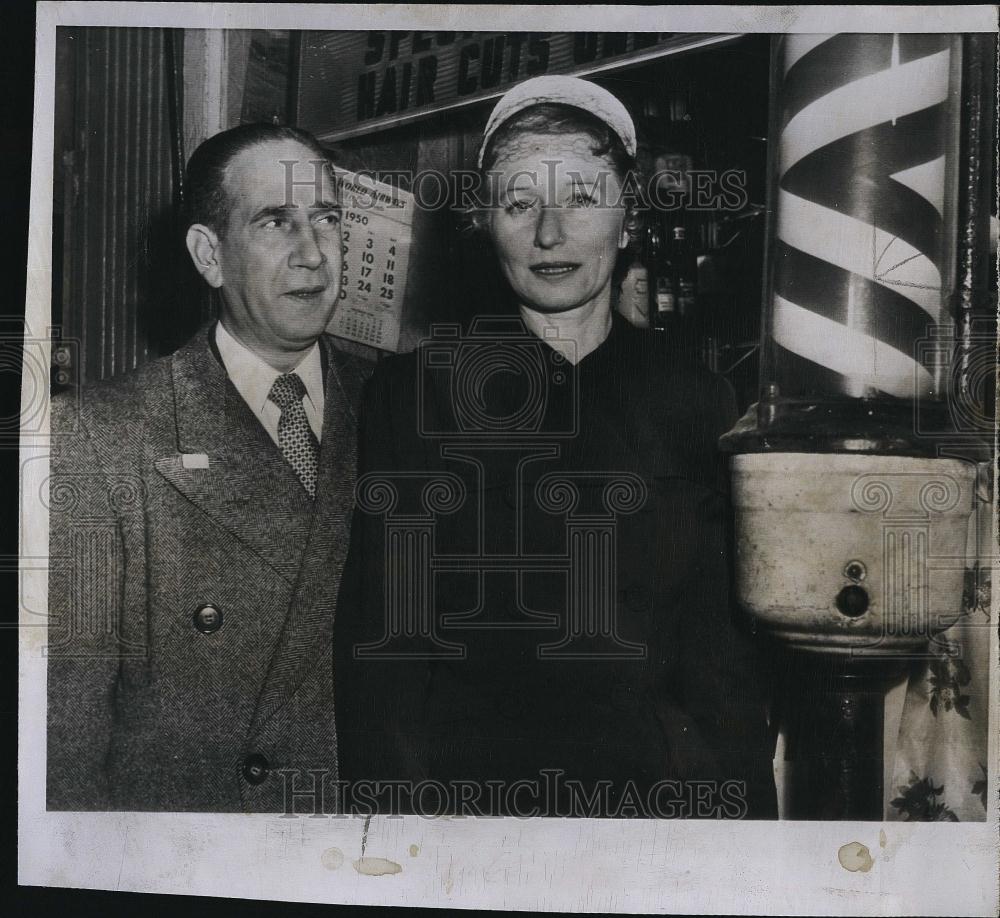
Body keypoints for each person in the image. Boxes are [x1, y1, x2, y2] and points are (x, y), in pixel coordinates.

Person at [334, 77, 777, 819]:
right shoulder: (416, 397)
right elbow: (386, 659)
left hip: (653, 816)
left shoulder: (696, 400)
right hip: (472, 817)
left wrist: (745, 851)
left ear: (629, 218)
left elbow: (719, 667)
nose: (549, 234)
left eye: (580, 197)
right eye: (518, 203)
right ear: (483, 222)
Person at [46, 123, 374, 811]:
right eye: (276, 223)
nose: (313, 254)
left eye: (327, 220)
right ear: (209, 255)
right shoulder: (103, 436)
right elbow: (67, 740)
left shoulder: (396, 406)